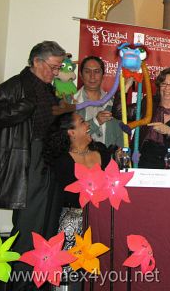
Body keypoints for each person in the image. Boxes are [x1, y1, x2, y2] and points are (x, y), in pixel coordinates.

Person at [0, 40, 70, 289]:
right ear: (37, 62)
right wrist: (24, 107)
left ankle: (39, 284)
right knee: (29, 230)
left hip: (48, 161)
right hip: (27, 161)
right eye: (54, 67)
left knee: (47, 228)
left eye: (59, 68)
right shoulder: (17, 86)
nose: (56, 72)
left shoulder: (47, 89)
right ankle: (19, 286)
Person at [43, 112, 111, 289]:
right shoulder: (62, 160)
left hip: (102, 219)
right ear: (70, 132)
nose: (88, 125)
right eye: (82, 122)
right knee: (69, 273)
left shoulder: (102, 151)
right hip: (73, 221)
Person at [114, 67, 170, 168]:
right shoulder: (148, 104)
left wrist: (169, 132)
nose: (167, 88)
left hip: (168, 166)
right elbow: (119, 112)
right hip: (141, 162)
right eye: (164, 83)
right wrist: (126, 86)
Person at [74, 55, 124, 148]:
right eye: (87, 71)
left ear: (103, 75)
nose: (92, 76)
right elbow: (67, 137)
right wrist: (95, 122)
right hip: (78, 160)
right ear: (81, 75)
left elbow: (120, 140)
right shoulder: (69, 103)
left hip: (108, 161)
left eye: (97, 71)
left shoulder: (114, 104)